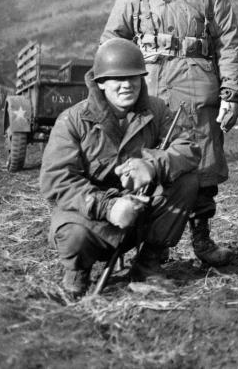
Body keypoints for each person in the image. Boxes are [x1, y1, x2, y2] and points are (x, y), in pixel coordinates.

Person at [102, 0, 238, 267]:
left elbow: (229, 44)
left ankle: (202, 240)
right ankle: (150, 246)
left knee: (204, 168)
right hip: (151, 92)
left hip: (199, 92)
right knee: (145, 164)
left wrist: (231, 92)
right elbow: (111, 43)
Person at [40, 38, 199, 299]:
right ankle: (79, 271)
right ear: (100, 82)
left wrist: (153, 166)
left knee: (188, 181)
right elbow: (56, 180)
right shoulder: (73, 121)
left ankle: (148, 263)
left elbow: (188, 149)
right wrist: (109, 207)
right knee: (73, 235)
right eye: (117, 78)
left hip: (141, 213)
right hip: (91, 218)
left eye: (133, 77)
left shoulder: (157, 110)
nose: (127, 85)